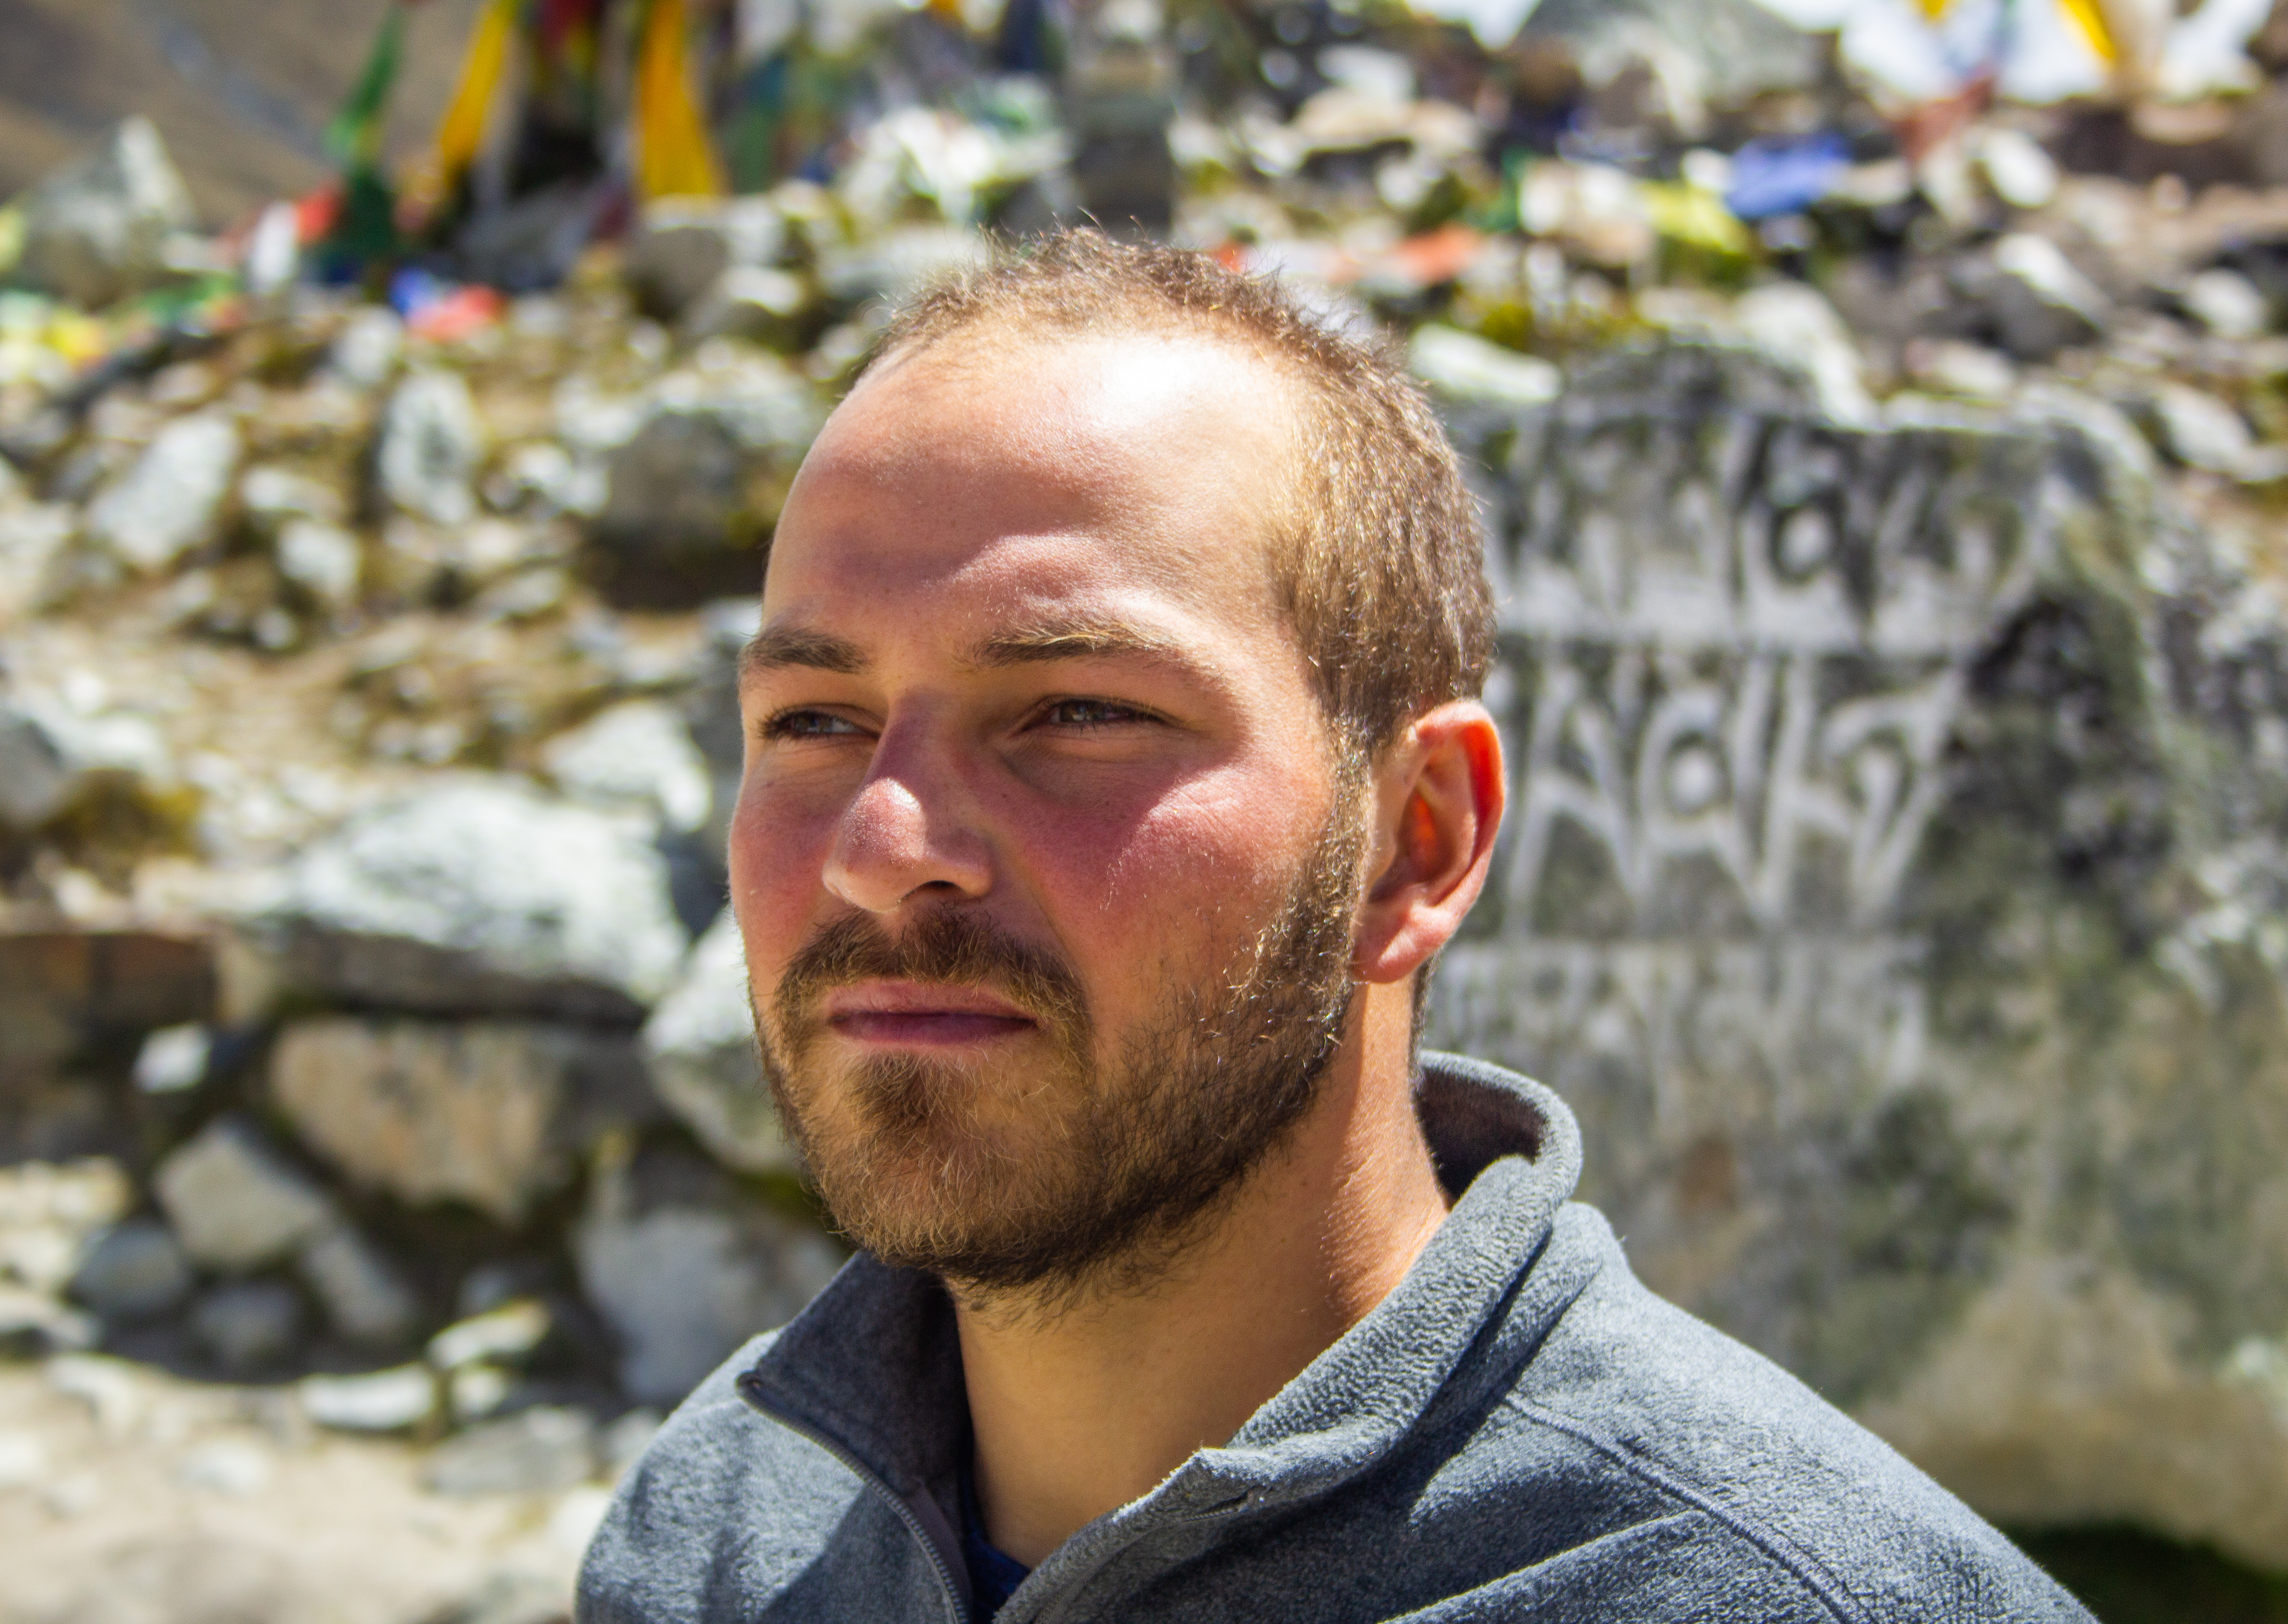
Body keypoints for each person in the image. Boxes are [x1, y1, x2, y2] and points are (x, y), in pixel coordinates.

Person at [577, 231, 2086, 1623]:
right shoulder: (719, 1530)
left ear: (1415, 836)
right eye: (815, 718)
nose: (882, 849)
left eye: (1082, 711)